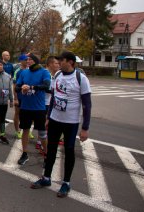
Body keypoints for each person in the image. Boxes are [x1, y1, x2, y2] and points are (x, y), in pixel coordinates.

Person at [31, 51, 92, 198]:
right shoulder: (57, 76)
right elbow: (53, 98)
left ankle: (66, 182)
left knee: (69, 151)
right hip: (55, 120)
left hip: (71, 122)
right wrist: (48, 117)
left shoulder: (80, 78)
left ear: (70, 62)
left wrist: (85, 128)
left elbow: (87, 105)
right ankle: (46, 178)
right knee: (51, 149)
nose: (59, 63)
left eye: (61, 60)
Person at [15, 53, 50, 166]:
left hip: (39, 108)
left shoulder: (44, 72)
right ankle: (24, 153)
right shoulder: (24, 72)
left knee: (42, 133)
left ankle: (46, 155)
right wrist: (22, 89)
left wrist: (31, 87)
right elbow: (16, 87)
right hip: (25, 107)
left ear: (36, 60)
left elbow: (46, 86)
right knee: (25, 130)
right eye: (27, 59)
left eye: (30, 59)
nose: (28, 61)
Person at [13, 54, 30, 139]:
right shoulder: (18, 71)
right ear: (21, 61)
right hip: (19, 96)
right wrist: (15, 98)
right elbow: (14, 85)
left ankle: (27, 130)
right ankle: (17, 131)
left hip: (28, 97)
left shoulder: (30, 70)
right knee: (18, 113)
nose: (27, 61)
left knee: (28, 114)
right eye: (25, 60)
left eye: (28, 60)